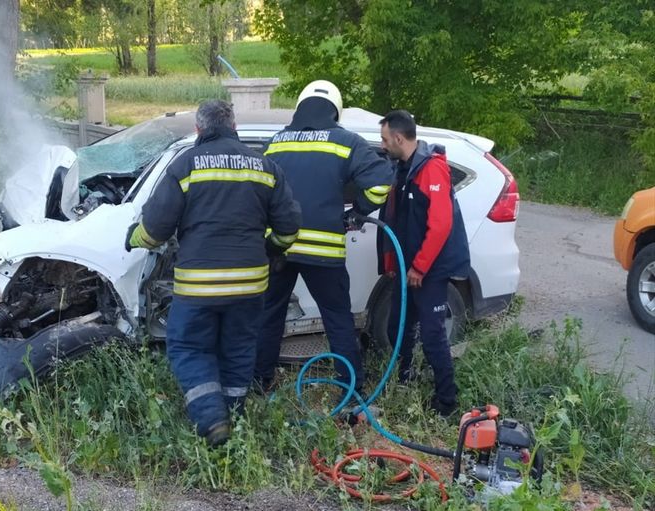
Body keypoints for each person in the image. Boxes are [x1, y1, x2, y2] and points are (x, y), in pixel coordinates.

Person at [125, 100, 301, 446]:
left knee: (189, 347)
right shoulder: (265, 167)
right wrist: (271, 249)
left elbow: (155, 230)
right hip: (250, 285)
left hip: (199, 286)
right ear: (234, 126)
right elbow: (289, 228)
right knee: (239, 348)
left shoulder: (186, 165)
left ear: (198, 129)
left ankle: (212, 419)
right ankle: (234, 414)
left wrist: (133, 238)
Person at [254, 80, 395, 396]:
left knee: (269, 314)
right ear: (335, 111)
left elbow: (258, 189)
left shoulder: (276, 143)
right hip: (324, 251)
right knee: (337, 319)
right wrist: (357, 211)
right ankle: (350, 389)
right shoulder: (346, 142)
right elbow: (380, 185)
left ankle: (260, 381)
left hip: (280, 248)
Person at [376, 110, 470, 416]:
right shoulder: (402, 169)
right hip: (408, 269)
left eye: (385, 139)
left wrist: (420, 266)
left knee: (432, 336)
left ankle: (446, 402)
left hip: (429, 270)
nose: (383, 145)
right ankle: (405, 379)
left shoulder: (431, 169)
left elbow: (440, 225)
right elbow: (397, 220)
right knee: (398, 328)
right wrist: (394, 264)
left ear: (398, 138)